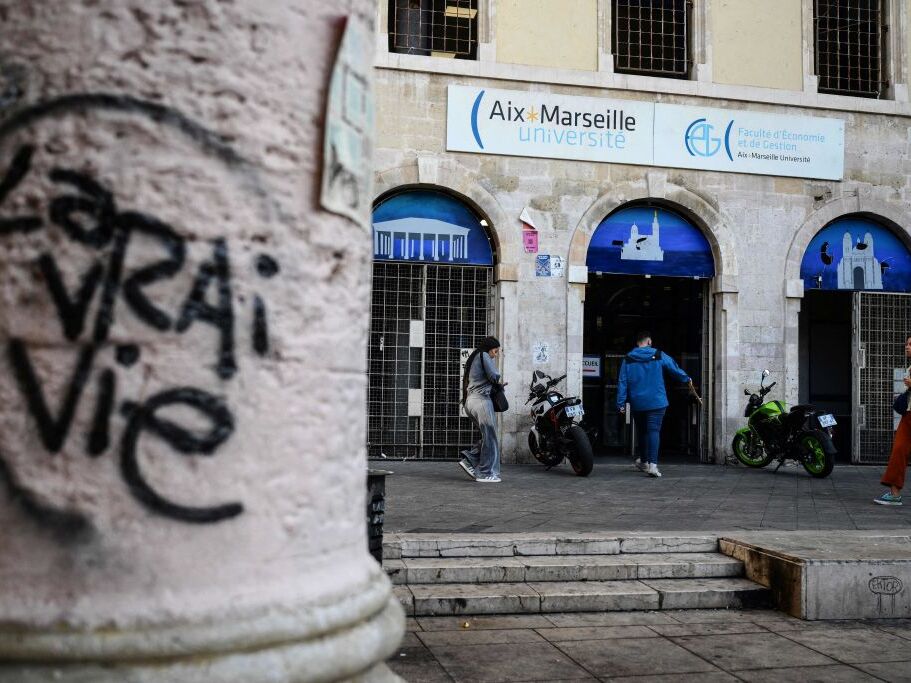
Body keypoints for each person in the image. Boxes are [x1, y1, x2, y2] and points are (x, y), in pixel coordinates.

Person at [616, 331, 700, 478]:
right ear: (649, 341)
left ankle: (644, 461)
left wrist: (620, 403)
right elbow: (673, 368)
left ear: (637, 343)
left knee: (642, 432)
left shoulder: (628, 358)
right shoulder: (659, 354)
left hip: (638, 402)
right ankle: (653, 465)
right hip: (657, 401)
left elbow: (622, 382)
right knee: (653, 431)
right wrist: (686, 378)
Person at [459, 336, 505, 484]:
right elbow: (494, 375)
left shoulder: (474, 357)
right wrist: (499, 382)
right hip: (482, 402)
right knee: (491, 437)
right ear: (489, 349)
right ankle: (485, 473)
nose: (495, 355)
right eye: (495, 351)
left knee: (487, 436)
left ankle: (469, 460)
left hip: (470, 402)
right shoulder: (484, 355)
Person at [874, 336, 911, 506]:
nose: (907, 347)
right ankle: (894, 494)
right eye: (907, 344)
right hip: (908, 417)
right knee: (898, 450)